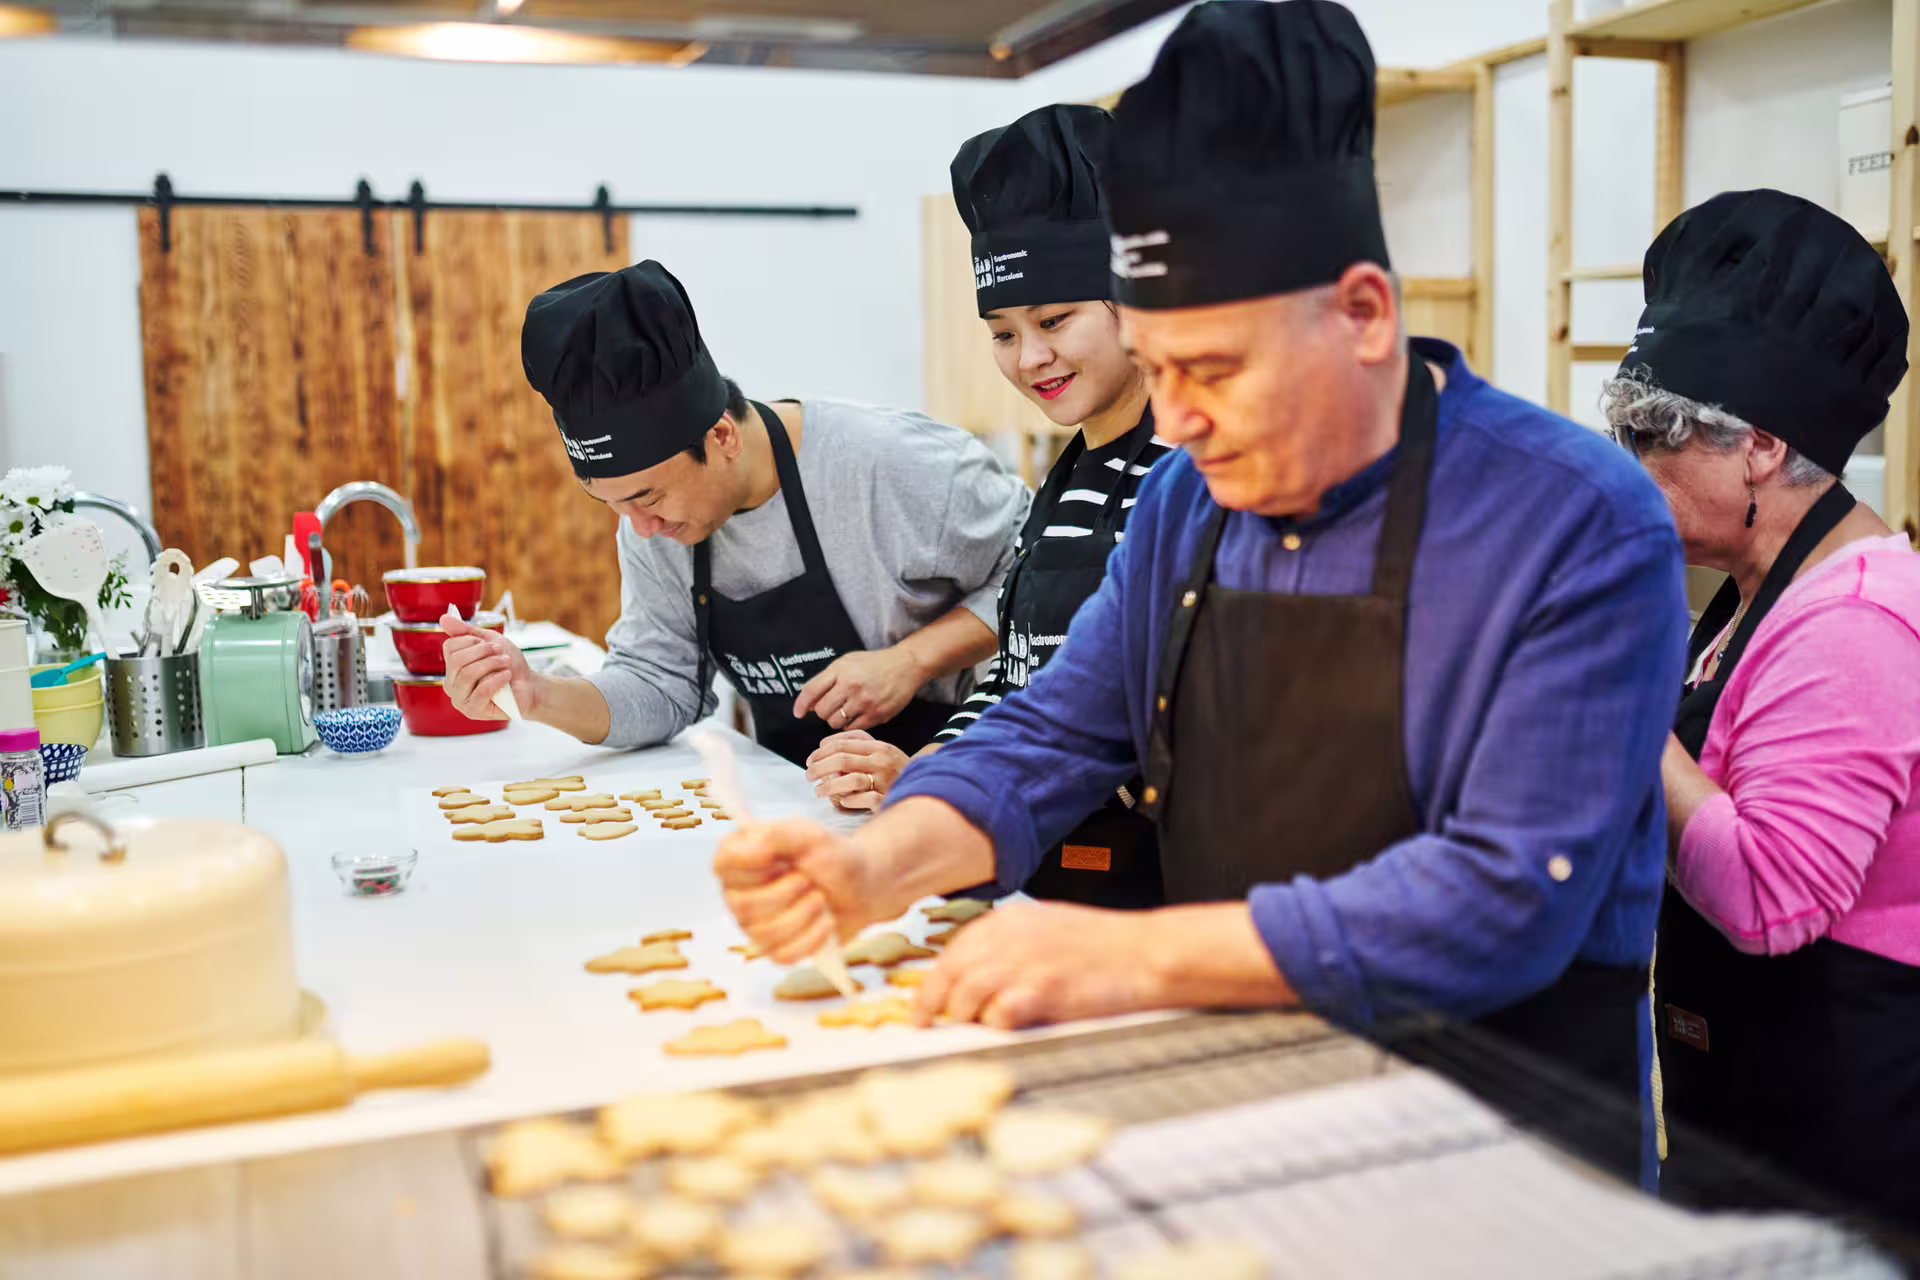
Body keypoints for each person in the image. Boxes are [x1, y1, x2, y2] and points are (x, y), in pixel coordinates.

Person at [716, 0, 1686, 1182]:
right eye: (1162, 369)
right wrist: (881, 866)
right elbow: (1057, 726)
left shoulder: (1574, 518)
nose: (1176, 420)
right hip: (1252, 1100)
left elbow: (1498, 896)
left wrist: (1136, 960)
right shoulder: (1190, 504)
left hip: (1503, 1143)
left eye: (1217, 370)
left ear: (1365, 314)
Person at [1603, 190, 1920, 1227]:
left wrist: (1623, 711)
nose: (1634, 470)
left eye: (1657, 440)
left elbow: (1769, 897)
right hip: (1737, 1108)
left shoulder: (1857, 623)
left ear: (1762, 447)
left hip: (1843, 1147)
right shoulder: (1743, 589)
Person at [440, 260, 1029, 767]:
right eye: (614, 505)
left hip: (954, 775)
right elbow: (660, 682)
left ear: (721, 435)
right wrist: (537, 696)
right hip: (800, 796)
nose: (641, 529)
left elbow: (1044, 575)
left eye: (648, 496)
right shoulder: (650, 527)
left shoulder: (891, 465)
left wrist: (911, 660)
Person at [806, 102, 1171, 908]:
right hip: (1046, 881)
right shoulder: (1063, 478)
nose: (1030, 357)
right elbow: (1016, 676)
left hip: (1162, 897)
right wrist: (930, 772)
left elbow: (1156, 727)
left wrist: (955, 786)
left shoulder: (1188, 475)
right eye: (1002, 333)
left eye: (1055, 319)